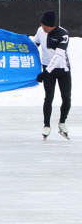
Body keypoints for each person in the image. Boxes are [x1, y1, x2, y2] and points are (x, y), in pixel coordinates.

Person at [35, 10, 71, 140]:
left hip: (62, 69)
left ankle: (62, 123)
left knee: (66, 98)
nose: (43, 27)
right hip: (47, 68)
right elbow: (35, 45)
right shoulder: (40, 31)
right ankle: (47, 125)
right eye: (42, 25)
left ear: (52, 25)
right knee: (48, 97)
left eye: (45, 26)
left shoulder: (63, 34)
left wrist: (45, 72)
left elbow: (58, 56)